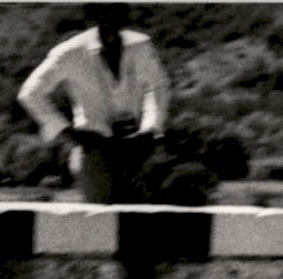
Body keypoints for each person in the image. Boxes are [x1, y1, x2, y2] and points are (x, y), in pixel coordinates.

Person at [17, 3, 169, 205]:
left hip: (135, 149)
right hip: (95, 152)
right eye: (107, 10)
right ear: (92, 14)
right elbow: (30, 93)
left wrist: (150, 128)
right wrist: (68, 132)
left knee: (139, 218)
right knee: (103, 217)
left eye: (119, 8)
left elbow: (158, 85)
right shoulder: (70, 52)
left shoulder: (140, 45)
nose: (114, 15)